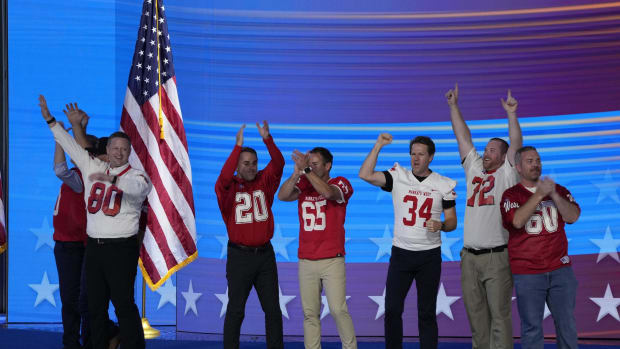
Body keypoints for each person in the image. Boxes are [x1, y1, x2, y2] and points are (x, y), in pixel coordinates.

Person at [40, 95, 152, 349]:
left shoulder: (137, 175)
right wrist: (51, 121)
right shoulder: (91, 167)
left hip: (121, 249)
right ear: (107, 151)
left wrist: (112, 180)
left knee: (124, 305)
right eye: (115, 148)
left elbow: (138, 191)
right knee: (94, 306)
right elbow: (71, 147)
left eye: (124, 149)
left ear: (129, 152)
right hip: (94, 248)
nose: (119, 153)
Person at [359, 134, 457, 349]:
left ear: (430, 157)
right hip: (401, 253)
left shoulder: (443, 184)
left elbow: (452, 222)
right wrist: (378, 146)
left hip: (429, 255)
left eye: (421, 154)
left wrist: (441, 225)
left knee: (426, 312)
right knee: (392, 308)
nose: (416, 158)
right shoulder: (398, 176)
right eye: (413, 153)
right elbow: (365, 174)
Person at [445, 85, 522, 349]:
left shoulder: (508, 173)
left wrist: (511, 115)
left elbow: (516, 146)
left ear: (503, 157)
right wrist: (454, 107)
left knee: (499, 317)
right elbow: (463, 138)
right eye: (486, 149)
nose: (486, 153)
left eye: (491, 151)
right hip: (469, 257)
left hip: (496, 256)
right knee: (476, 318)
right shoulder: (474, 168)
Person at [501, 146, 580, 349]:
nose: (535, 164)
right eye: (530, 161)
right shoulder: (510, 195)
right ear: (518, 167)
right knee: (532, 328)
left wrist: (553, 194)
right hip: (527, 273)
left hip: (560, 270)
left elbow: (572, 216)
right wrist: (538, 195)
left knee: (567, 325)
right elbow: (516, 221)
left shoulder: (559, 190)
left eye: (537, 160)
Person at [278, 147, 357, 349]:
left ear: (328, 165)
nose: (310, 167)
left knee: (338, 309)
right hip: (306, 259)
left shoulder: (341, 183)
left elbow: (328, 193)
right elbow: (283, 196)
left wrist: (306, 171)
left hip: (332, 258)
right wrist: (296, 173)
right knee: (310, 313)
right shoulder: (305, 182)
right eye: (309, 163)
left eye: (314, 164)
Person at [215, 122, 285, 349]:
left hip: (265, 255)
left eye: (254, 163)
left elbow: (279, 163)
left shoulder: (265, 181)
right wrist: (237, 147)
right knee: (236, 309)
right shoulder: (227, 188)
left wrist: (268, 139)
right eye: (245, 164)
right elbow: (224, 177)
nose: (251, 167)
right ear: (236, 166)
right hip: (240, 256)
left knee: (273, 310)